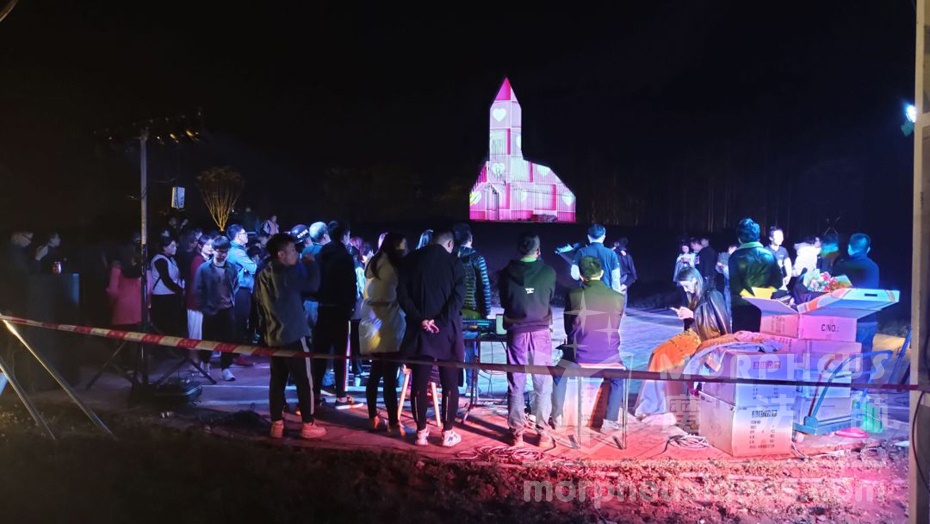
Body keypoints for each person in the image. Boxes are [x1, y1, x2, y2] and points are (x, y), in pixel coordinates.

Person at [397, 228, 465, 448]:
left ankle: (420, 433)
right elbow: (458, 299)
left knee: (419, 383)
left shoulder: (410, 260)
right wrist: (440, 321)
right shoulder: (455, 263)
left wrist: (421, 320)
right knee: (449, 385)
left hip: (419, 331)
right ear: (449, 244)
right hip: (447, 332)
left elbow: (402, 295)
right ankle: (447, 433)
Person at [254, 233, 325, 440]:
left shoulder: (263, 273)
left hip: (273, 335)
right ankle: (308, 424)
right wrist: (312, 265)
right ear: (281, 254)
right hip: (294, 333)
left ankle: (276, 424)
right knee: (305, 379)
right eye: (292, 250)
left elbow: (258, 303)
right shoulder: (287, 273)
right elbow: (312, 286)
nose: (296, 254)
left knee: (277, 380)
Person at [634, 266, 731, 418]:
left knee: (663, 357)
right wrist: (687, 315)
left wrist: (693, 314)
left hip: (704, 339)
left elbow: (720, 321)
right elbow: (697, 319)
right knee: (657, 354)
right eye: (683, 287)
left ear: (695, 280)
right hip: (692, 335)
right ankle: (655, 403)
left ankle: (657, 405)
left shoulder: (713, 294)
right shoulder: (696, 295)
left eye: (687, 285)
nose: (686, 290)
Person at [552, 257, 627, 432]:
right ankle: (609, 421)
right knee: (618, 377)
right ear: (601, 273)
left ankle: (557, 416)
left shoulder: (573, 295)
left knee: (558, 373)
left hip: (579, 358)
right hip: (609, 357)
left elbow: (568, 327)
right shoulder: (618, 297)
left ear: (581, 276)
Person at [498, 232, 557, 447]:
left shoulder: (506, 273)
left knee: (516, 383)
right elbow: (550, 296)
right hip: (541, 332)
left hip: (517, 333)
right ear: (538, 250)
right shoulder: (548, 272)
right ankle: (543, 434)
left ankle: (517, 434)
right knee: (542, 383)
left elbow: (504, 301)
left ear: (519, 249)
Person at [359, 232, 408, 436]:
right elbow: (403, 297)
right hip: (389, 327)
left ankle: (372, 417)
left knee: (375, 373)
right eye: (404, 246)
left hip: (371, 326)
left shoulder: (373, 263)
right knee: (389, 378)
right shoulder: (395, 269)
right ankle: (394, 423)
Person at [312, 220, 358, 408]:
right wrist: (350, 306)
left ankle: (315, 394)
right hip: (340, 310)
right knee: (340, 355)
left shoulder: (320, 254)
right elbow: (350, 285)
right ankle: (340, 395)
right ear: (345, 235)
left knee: (320, 354)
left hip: (322, 307)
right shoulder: (345, 256)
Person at [831, 233, 880, 381]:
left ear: (849, 248)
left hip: (846, 321)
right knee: (865, 356)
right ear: (868, 249)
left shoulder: (841, 266)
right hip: (869, 319)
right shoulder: (874, 267)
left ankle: (843, 389)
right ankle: (861, 389)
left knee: (844, 358)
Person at [193, 236, 240, 381]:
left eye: (225, 251)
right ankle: (205, 363)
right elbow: (197, 289)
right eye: (220, 251)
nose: (222, 254)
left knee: (228, 339)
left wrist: (230, 299)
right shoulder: (204, 268)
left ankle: (225, 368)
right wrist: (203, 307)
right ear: (213, 250)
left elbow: (235, 284)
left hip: (227, 308)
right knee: (207, 338)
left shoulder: (231, 267)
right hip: (210, 309)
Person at [453, 223, 492, 389]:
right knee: (471, 350)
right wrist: (486, 311)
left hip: (453, 312)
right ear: (471, 239)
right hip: (473, 313)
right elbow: (484, 285)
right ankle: (471, 385)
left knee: (454, 349)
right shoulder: (477, 258)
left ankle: (453, 385)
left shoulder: (449, 258)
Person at [728, 218, 783, 332]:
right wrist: (764, 296)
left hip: (741, 308)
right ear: (758, 237)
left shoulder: (735, 257)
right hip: (764, 306)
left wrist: (751, 298)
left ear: (739, 239)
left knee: (741, 340)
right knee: (762, 338)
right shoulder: (769, 255)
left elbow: (735, 286)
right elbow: (778, 281)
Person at [226, 224, 257, 368]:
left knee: (239, 323)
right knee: (240, 323)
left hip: (238, 290)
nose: (247, 236)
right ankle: (235, 355)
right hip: (240, 291)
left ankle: (234, 354)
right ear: (238, 236)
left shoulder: (235, 250)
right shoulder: (237, 252)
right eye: (244, 233)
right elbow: (254, 268)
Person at [571, 224, 622, 292]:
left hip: (586, 292)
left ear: (588, 237)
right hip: (606, 292)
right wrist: (617, 294)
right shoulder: (612, 253)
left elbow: (575, 275)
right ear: (604, 237)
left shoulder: (581, 252)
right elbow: (615, 277)